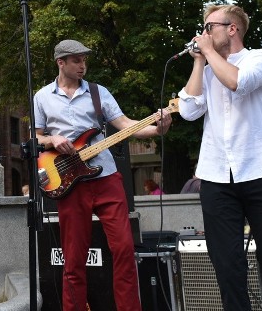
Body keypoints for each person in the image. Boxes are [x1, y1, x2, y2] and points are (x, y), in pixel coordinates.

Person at [34, 39, 172, 311]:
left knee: (124, 249)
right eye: (76, 60)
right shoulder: (42, 97)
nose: (82, 65)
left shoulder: (99, 92)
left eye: (84, 60)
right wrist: (52, 140)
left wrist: (157, 129)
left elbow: (125, 125)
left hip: (106, 176)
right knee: (73, 258)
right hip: (69, 182)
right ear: (60, 62)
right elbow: (35, 139)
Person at [176, 5, 262, 311]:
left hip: (261, 173)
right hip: (217, 177)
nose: (203, 33)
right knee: (227, 267)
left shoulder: (260, 59)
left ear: (232, 29)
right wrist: (200, 61)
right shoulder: (206, 70)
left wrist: (209, 54)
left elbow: (237, 82)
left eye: (209, 27)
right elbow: (188, 110)